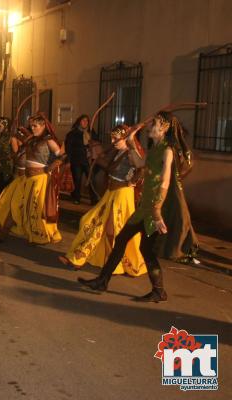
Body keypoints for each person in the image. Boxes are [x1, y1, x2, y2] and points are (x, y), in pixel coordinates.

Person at [78, 111, 196, 302]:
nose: (150, 127)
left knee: (146, 250)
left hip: (154, 210)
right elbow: (139, 163)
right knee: (123, 239)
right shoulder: (155, 148)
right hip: (144, 208)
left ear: (164, 128)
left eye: (154, 123)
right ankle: (103, 280)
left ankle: (158, 291)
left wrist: (157, 210)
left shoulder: (167, 150)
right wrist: (131, 141)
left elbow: (165, 181)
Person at [59, 125, 147, 276]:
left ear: (126, 138)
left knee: (112, 230)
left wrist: (132, 181)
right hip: (111, 193)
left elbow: (142, 168)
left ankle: (86, 260)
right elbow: (111, 169)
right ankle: (86, 258)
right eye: (111, 137)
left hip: (122, 195)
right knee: (90, 221)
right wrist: (97, 159)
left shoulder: (132, 152)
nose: (113, 141)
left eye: (116, 138)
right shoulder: (118, 152)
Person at [21, 114, 65, 244]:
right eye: (31, 126)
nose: (32, 128)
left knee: (37, 208)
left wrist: (50, 167)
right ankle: (34, 233)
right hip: (29, 178)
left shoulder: (48, 140)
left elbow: (62, 156)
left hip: (40, 178)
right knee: (28, 208)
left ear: (43, 126)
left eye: (35, 126)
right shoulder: (31, 139)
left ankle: (40, 236)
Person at [0, 121, 29, 241]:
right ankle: (3, 230)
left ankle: (30, 232)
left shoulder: (33, 145)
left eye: (23, 134)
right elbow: (16, 157)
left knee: (21, 206)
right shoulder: (22, 146)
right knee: (12, 203)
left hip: (30, 180)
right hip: (18, 178)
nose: (20, 135)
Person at [65, 115, 98, 204]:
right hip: (76, 160)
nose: (85, 123)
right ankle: (76, 198)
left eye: (87, 121)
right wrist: (68, 161)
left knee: (91, 180)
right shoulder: (72, 134)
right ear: (79, 121)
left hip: (87, 160)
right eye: (83, 121)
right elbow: (68, 148)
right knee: (77, 180)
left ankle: (94, 199)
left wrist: (92, 143)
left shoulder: (91, 132)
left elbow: (96, 143)